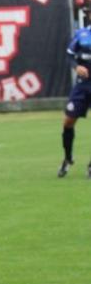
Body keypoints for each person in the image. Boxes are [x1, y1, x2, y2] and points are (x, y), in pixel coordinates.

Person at [60, 27, 91, 178]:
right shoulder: (82, 34)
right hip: (82, 85)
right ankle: (68, 158)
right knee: (68, 121)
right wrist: (76, 66)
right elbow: (70, 54)